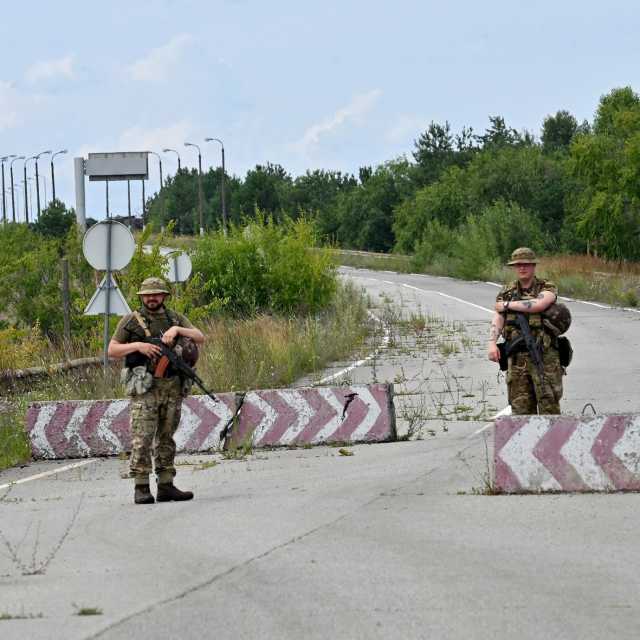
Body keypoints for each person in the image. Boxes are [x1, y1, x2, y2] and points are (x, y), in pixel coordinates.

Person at [108, 277, 205, 504]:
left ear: (164, 296)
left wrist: (177, 329)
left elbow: (200, 337)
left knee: (166, 437)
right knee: (142, 437)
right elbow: (112, 349)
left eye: (157, 294)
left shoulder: (175, 318)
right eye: (148, 295)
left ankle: (166, 484)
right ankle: (141, 486)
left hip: (172, 386)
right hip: (145, 388)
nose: (152, 298)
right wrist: (138, 346)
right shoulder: (131, 321)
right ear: (141, 297)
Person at [487, 248, 563, 414]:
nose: (522, 268)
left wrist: (507, 305)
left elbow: (539, 304)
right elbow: (499, 317)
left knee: (549, 407)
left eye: (526, 264)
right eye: (518, 265)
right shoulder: (507, 291)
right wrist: (492, 343)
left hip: (544, 356)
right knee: (520, 411)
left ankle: (551, 441)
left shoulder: (546, 286)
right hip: (517, 359)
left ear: (533, 266)